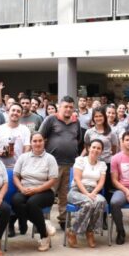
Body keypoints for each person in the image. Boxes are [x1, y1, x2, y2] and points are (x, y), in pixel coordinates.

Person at [39, 96, 83, 229]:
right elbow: (40, 138)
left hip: (70, 164)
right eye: (66, 107)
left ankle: (64, 220)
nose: (68, 109)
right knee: (48, 193)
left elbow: (79, 140)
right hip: (53, 164)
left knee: (65, 194)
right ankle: (42, 222)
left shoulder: (76, 122)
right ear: (59, 107)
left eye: (71, 107)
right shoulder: (51, 119)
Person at [12, 132, 58, 251]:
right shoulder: (23, 157)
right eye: (35, 141)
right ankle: (44, 225)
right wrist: (21, 188)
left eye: (40, 141)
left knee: (32, 203)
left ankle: (43, 236)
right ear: (31, 143)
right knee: (16, 201)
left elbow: (53, 180)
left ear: (44, 142)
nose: (37, 143)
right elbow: (15, 176)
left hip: (45, 191)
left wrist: (37, 189)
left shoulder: (50, 158)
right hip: (25, 189)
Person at [66, 140, 107, 248]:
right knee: (88, 203)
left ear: (101, 151)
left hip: (93, 190)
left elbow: (101, 182)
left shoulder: (102, 164)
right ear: (89, 148)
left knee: (101, 201)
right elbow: (77, 179)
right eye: (94, 147)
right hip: (77, 190)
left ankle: (90, 231)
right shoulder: (80, 160)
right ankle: (73, 231)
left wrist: (93, 193)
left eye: (99, 148)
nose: (95, 150)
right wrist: (87, 194)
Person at [0, 102, 32, 169]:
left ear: (21, 115)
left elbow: (27, 147)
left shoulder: (25, 129)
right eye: (13, 110)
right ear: (8, 112)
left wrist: (21, 164)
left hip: (17, 168)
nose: (15, 113)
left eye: (18, 111)